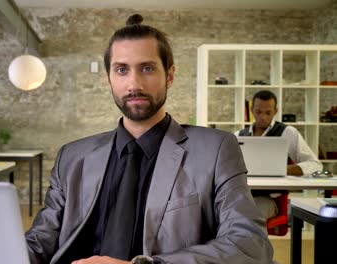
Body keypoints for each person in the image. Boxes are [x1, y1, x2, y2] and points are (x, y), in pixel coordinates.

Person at [26, 14, 273, 264]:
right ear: (108, 80)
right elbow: (40, 241)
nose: (134, 83)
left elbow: (249, 244)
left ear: (170, 75)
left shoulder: (216, 149)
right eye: (121, 70)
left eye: (147, 68)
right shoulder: (72, 156)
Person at [235, 90, 323, 219]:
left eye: (268, 112)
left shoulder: (287, 133)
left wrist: (283, 169)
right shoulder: (238, 136)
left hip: (268, 200)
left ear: (275, 111)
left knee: (245, 215)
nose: (263, 117)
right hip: (242, 197)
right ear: (252, 110)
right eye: (258, 112)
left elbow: (315, 165)